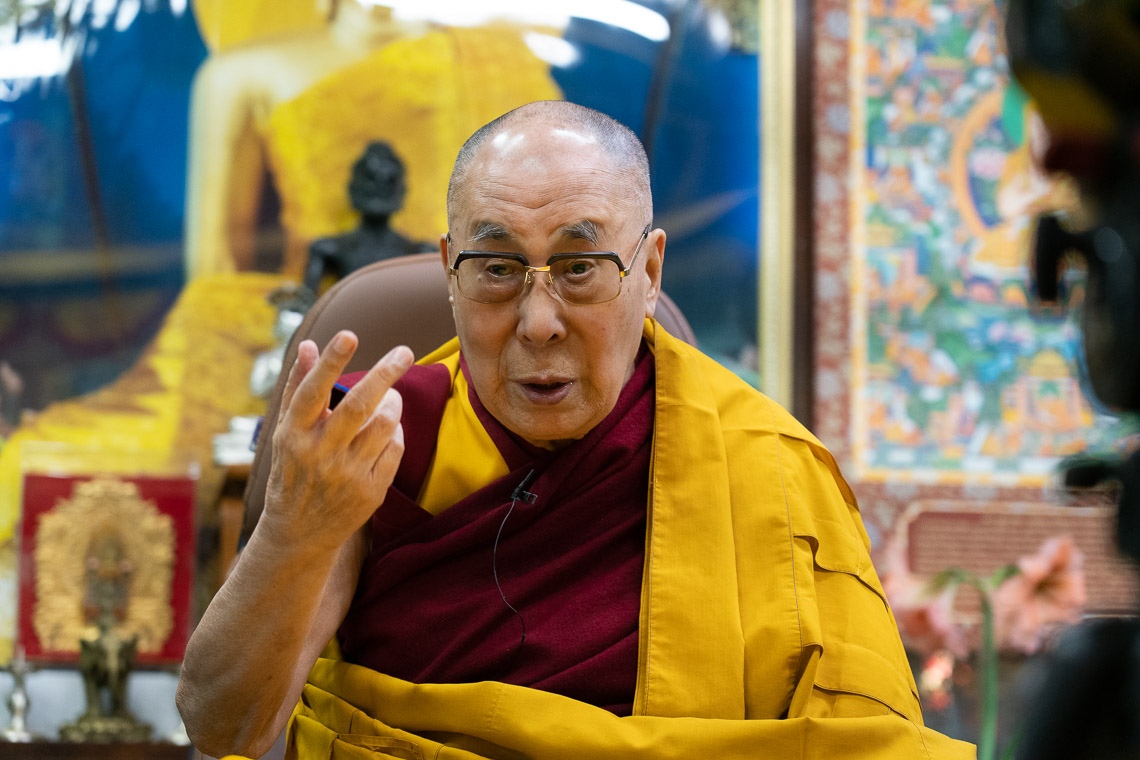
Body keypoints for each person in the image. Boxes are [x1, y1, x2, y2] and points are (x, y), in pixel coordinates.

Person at [176, 101, 973, 759]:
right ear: (450, 270)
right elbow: (226, 724)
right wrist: (293, 531)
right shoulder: (385, 439)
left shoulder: (766, 465)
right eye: (496, 270)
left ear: (650, 272)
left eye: (581, 267)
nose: (538, 321)